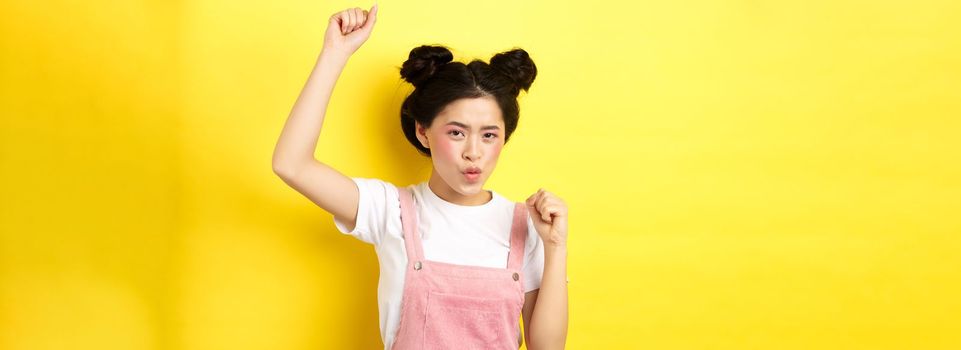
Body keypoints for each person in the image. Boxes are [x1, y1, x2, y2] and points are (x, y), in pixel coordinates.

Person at [272, 4, 569, 349]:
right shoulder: (389, 210)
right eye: (457, 133)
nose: (473, 152)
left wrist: (555, 246)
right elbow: (291, 164)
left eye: (489, 135)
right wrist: (334, 53)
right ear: (423, 131)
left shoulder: (527, 225)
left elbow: (547, 348)